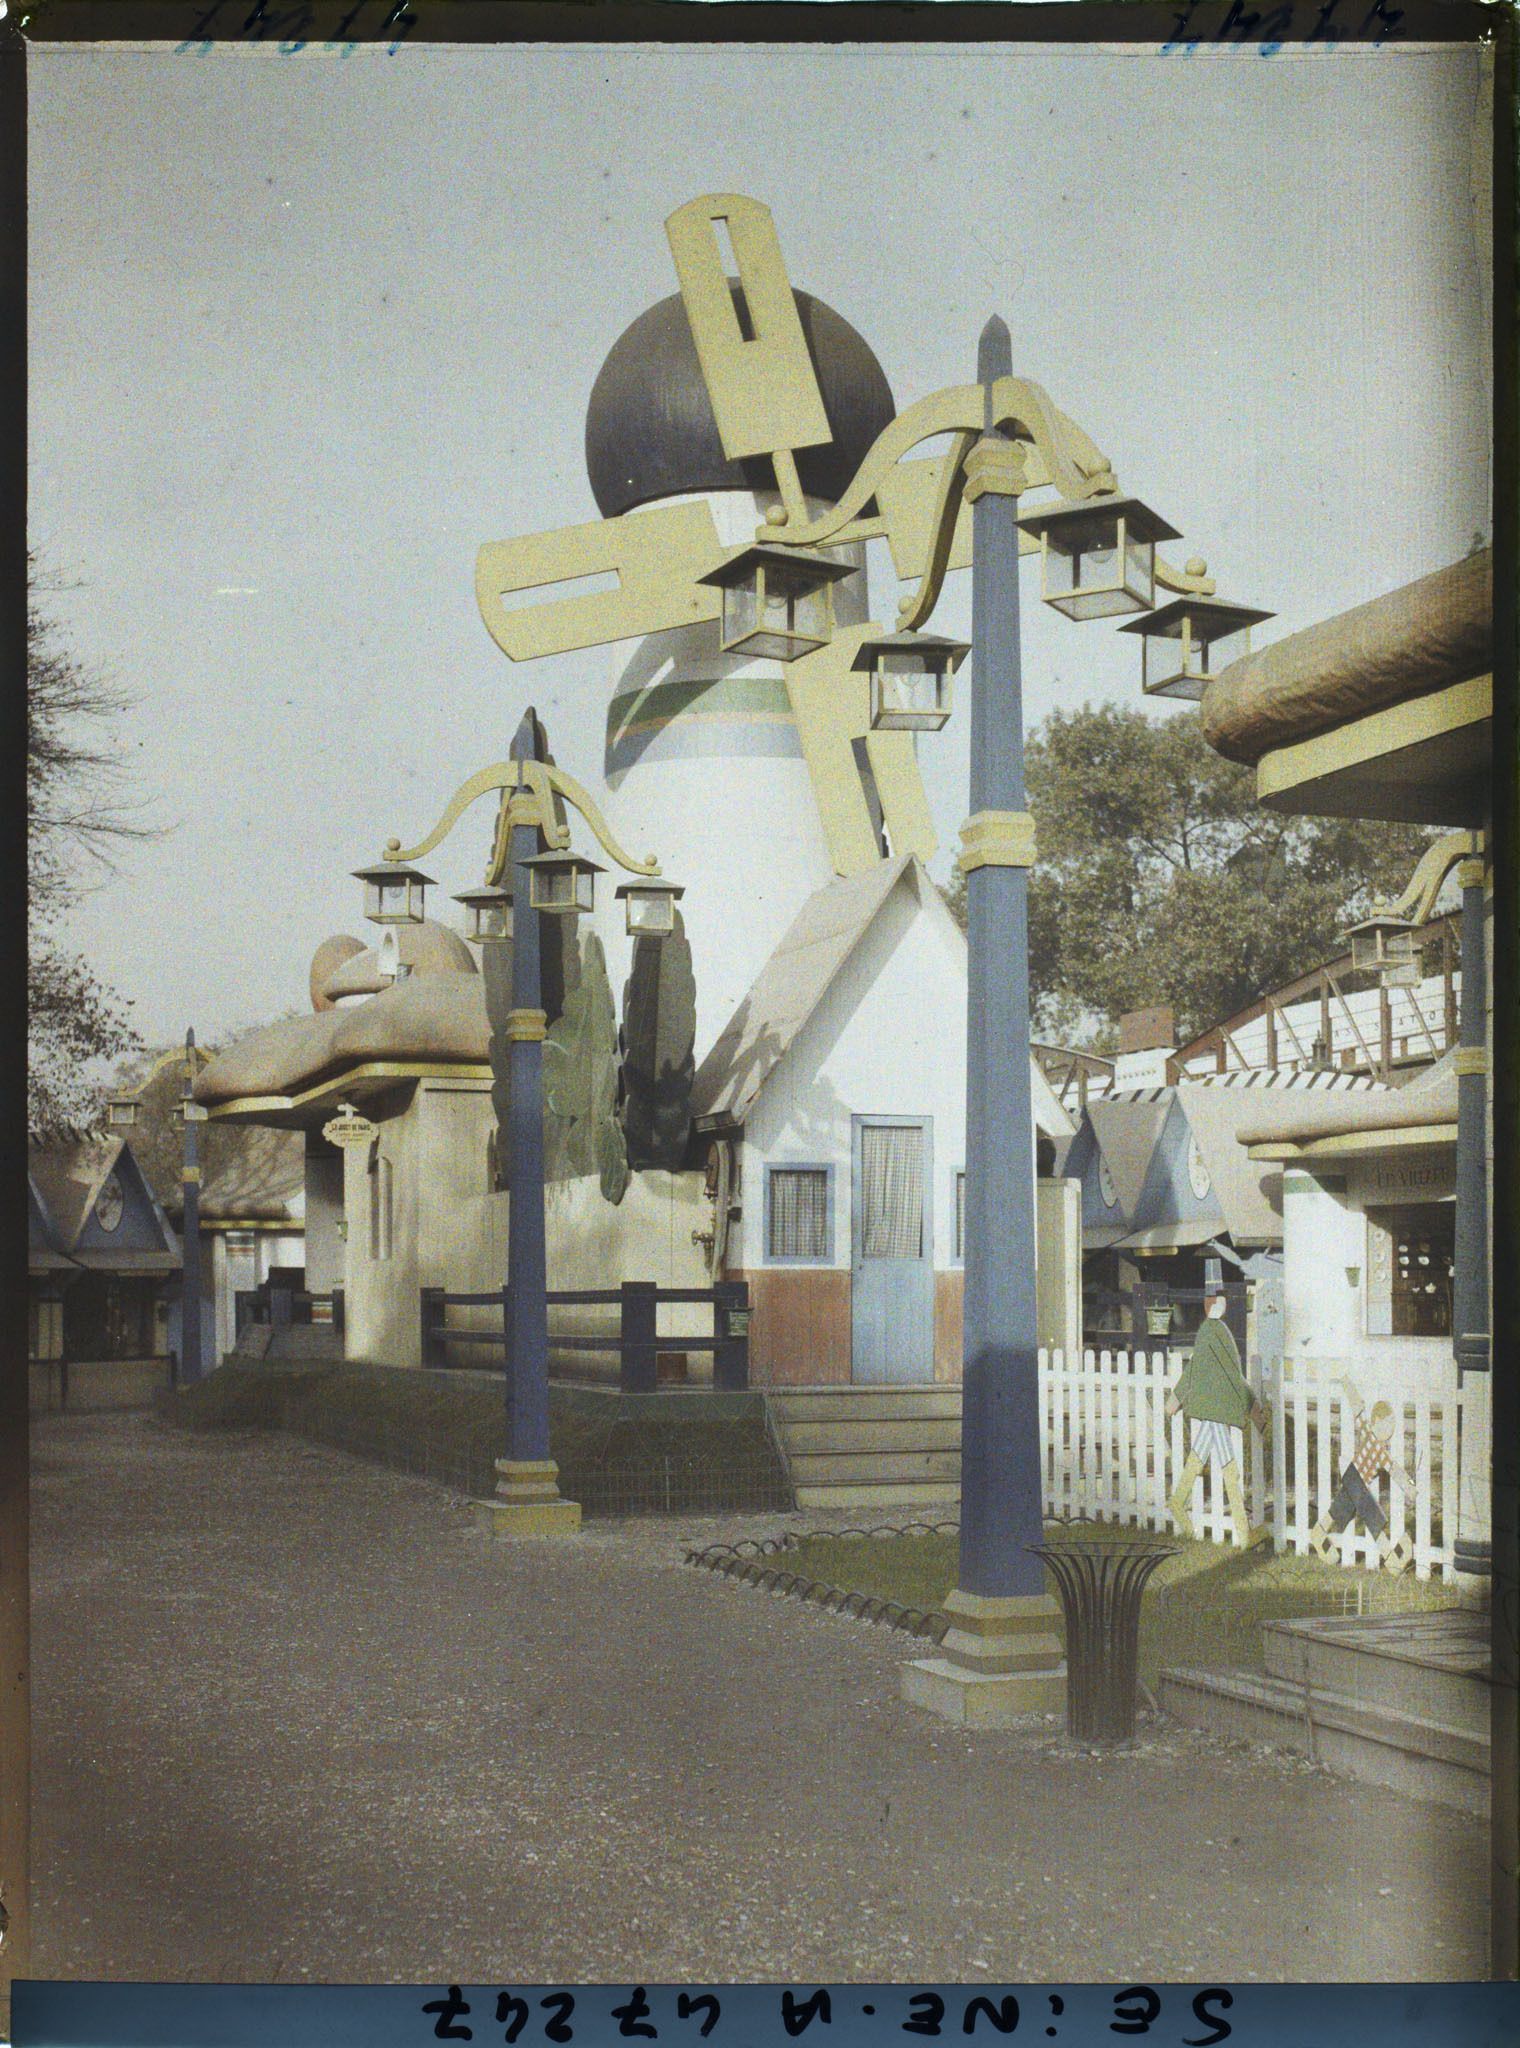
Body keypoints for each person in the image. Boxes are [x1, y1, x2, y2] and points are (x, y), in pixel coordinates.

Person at [1164, 1291, 1270, 1547]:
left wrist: (1175, 1399)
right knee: (1229, 1471)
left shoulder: (1210, 1332)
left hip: (1213, 1410)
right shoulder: (1216, 1333)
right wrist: (1255, 1411)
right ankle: (1244, 1535)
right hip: (1217, 1411)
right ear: (1216, 1305)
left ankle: (1178, 1503)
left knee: (1200, 1460)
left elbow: (1198, 1369)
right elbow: (1230, 1375)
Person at [1308, 1379, 1416, 1575]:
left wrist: (1409, 1486)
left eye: (1393, 1424)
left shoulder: (1382, 1452)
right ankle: (1391, 1558)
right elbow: (1358, 1410)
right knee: (1370, 1512)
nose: (1390, 1429)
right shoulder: (1368, 1432)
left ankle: (1318, 1533)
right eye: (1387, 1424)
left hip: (1353, 1480)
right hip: (1353, 1476)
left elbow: (1395, 1470)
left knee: (1342, 1508)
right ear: (1376, 1422)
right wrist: (1347, 1384)